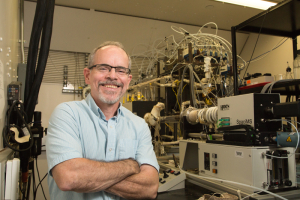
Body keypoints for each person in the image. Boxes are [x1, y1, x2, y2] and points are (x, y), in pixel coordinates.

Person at [46, 41, 159, 200]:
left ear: (128, 80)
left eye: (120, 70)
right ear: (87, 75)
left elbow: (149, 188)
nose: (112, 76)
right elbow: (69, 177)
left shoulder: (139, 125)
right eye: (103, 68)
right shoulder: (67, 114)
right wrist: (129, 165)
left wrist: (88, 178)